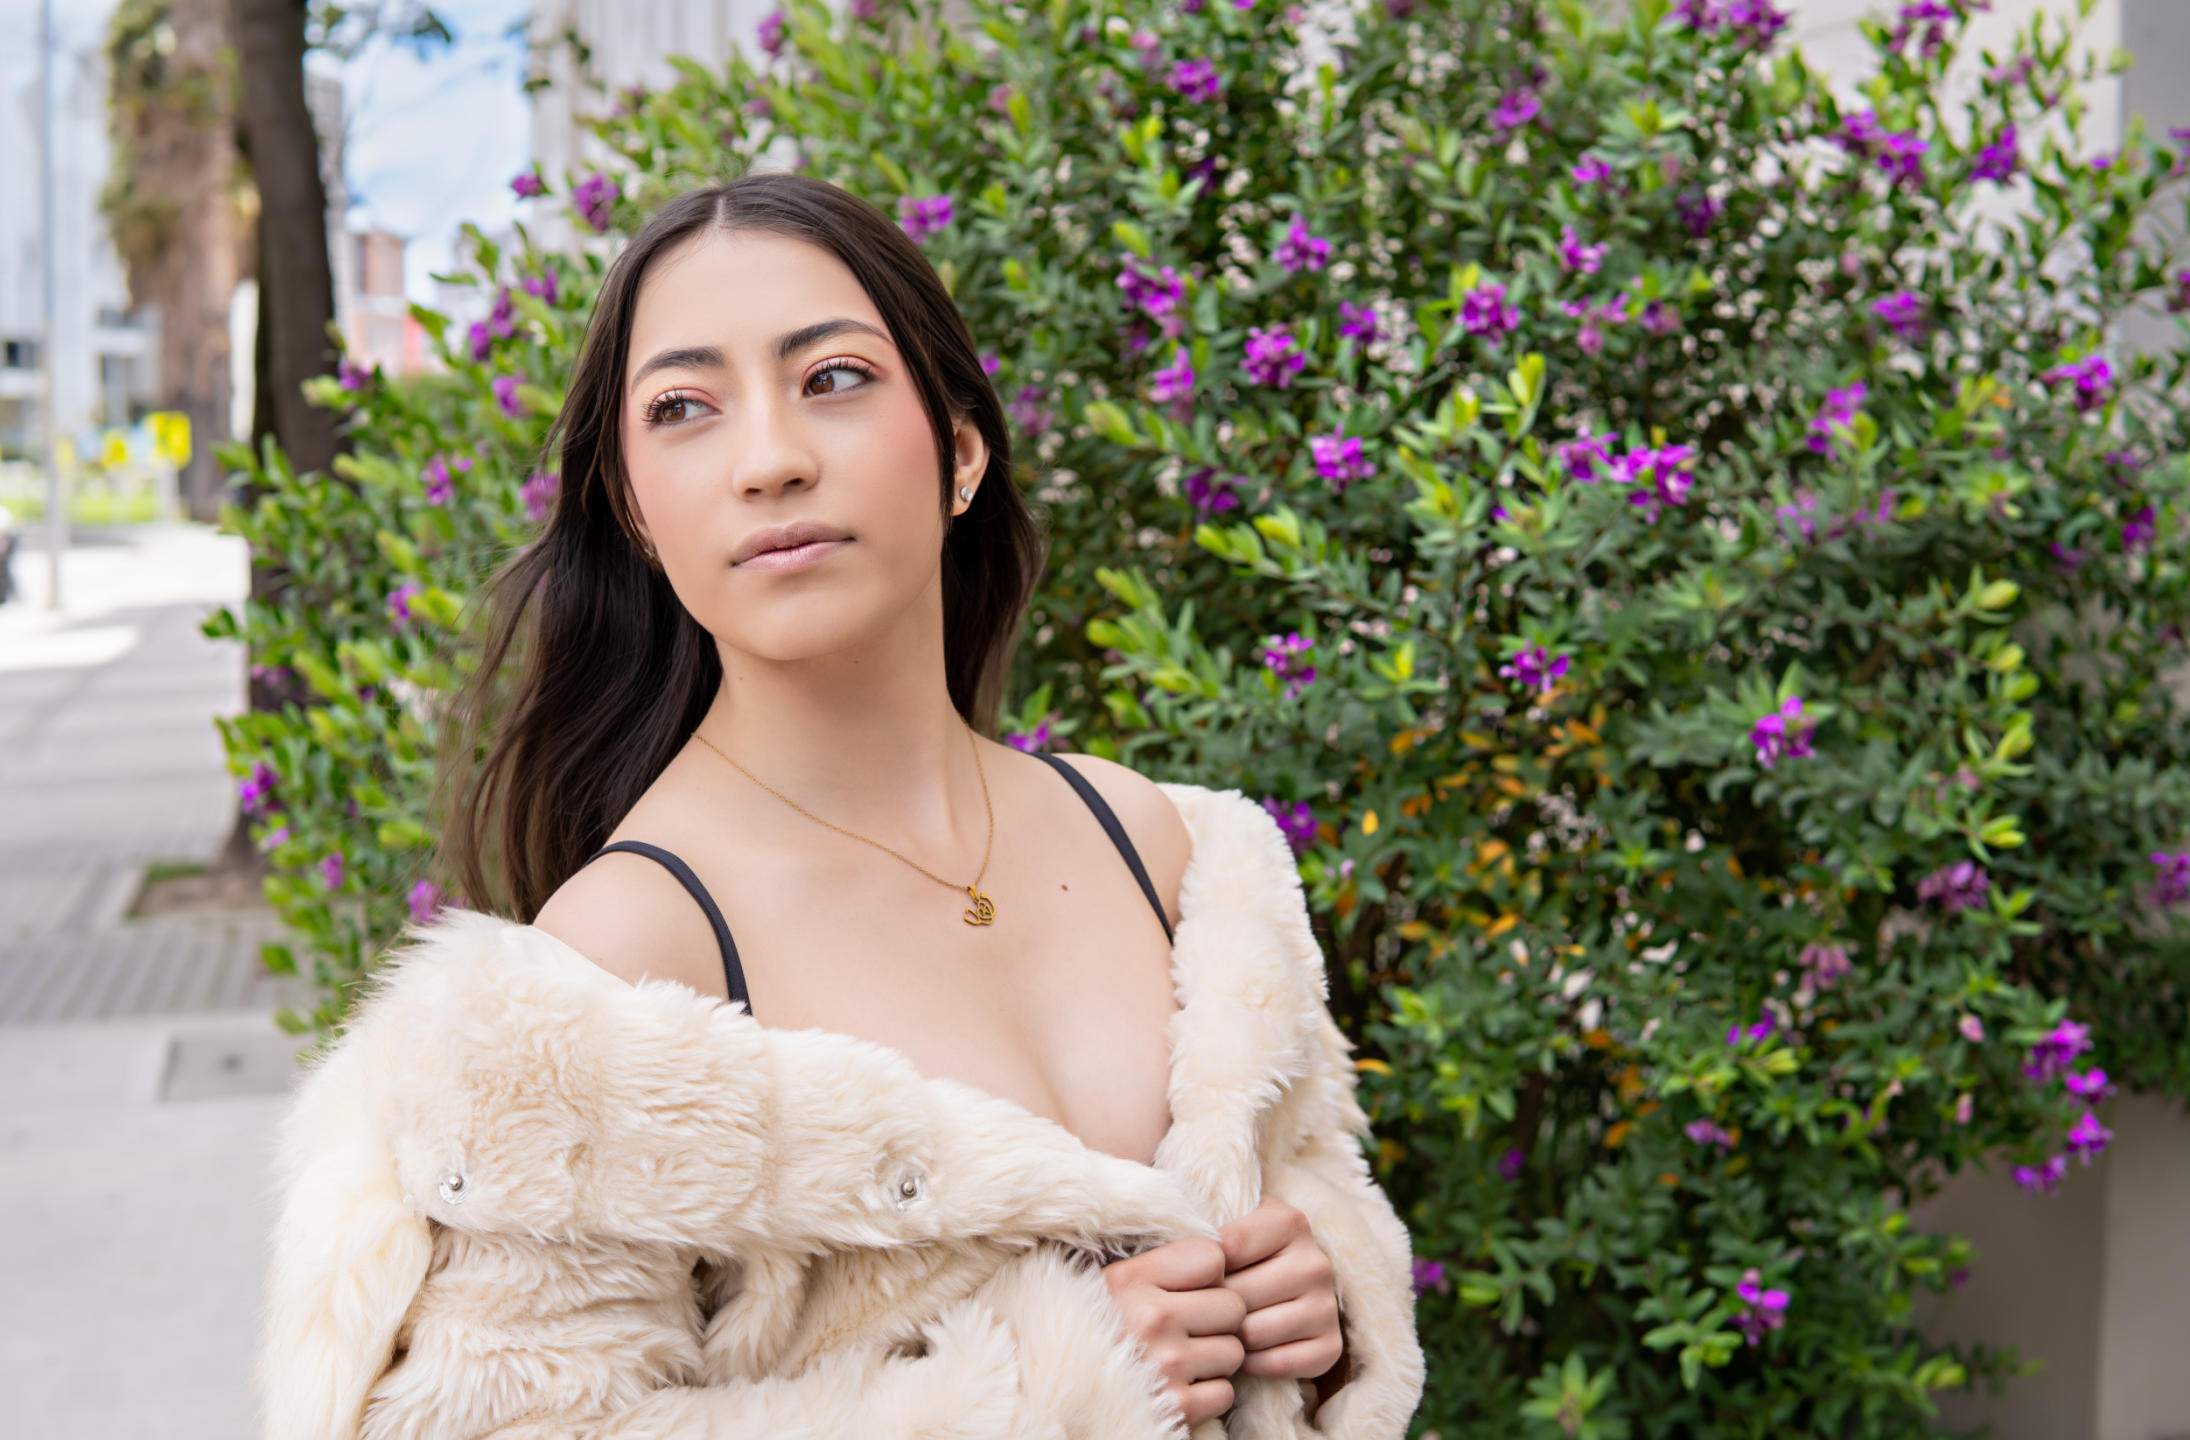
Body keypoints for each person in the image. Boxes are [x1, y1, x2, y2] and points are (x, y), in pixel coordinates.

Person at [256, 173, 1422, 1440]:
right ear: (636, 509)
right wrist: (1050, 1386)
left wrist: (1317, 1311)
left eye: (833, 378)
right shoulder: (618, 958)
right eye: (683, 408)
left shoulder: (1158, 844)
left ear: (960, 451)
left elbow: (1313, 1201)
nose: (770, 461)